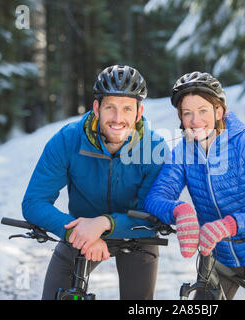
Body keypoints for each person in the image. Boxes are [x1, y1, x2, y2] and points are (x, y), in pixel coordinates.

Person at [144, 71, 245, 300]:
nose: (195, 121)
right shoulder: (183, 153)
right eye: (187, 113)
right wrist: (179, 210)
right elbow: (156, 197)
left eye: (203, 111)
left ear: (219, 111)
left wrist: (230, 225)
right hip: (218, 257)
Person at [22, 65, 167, 300]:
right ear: (97, 108)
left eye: (127, 109)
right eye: (110, 107)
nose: (118, 119)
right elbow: (34, 202)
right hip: (80, 233)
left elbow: (152, 214)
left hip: (137, 234)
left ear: (139, 113)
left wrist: (104, 223)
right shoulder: (68, 140)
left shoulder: (155, 148)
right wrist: (75, 233)